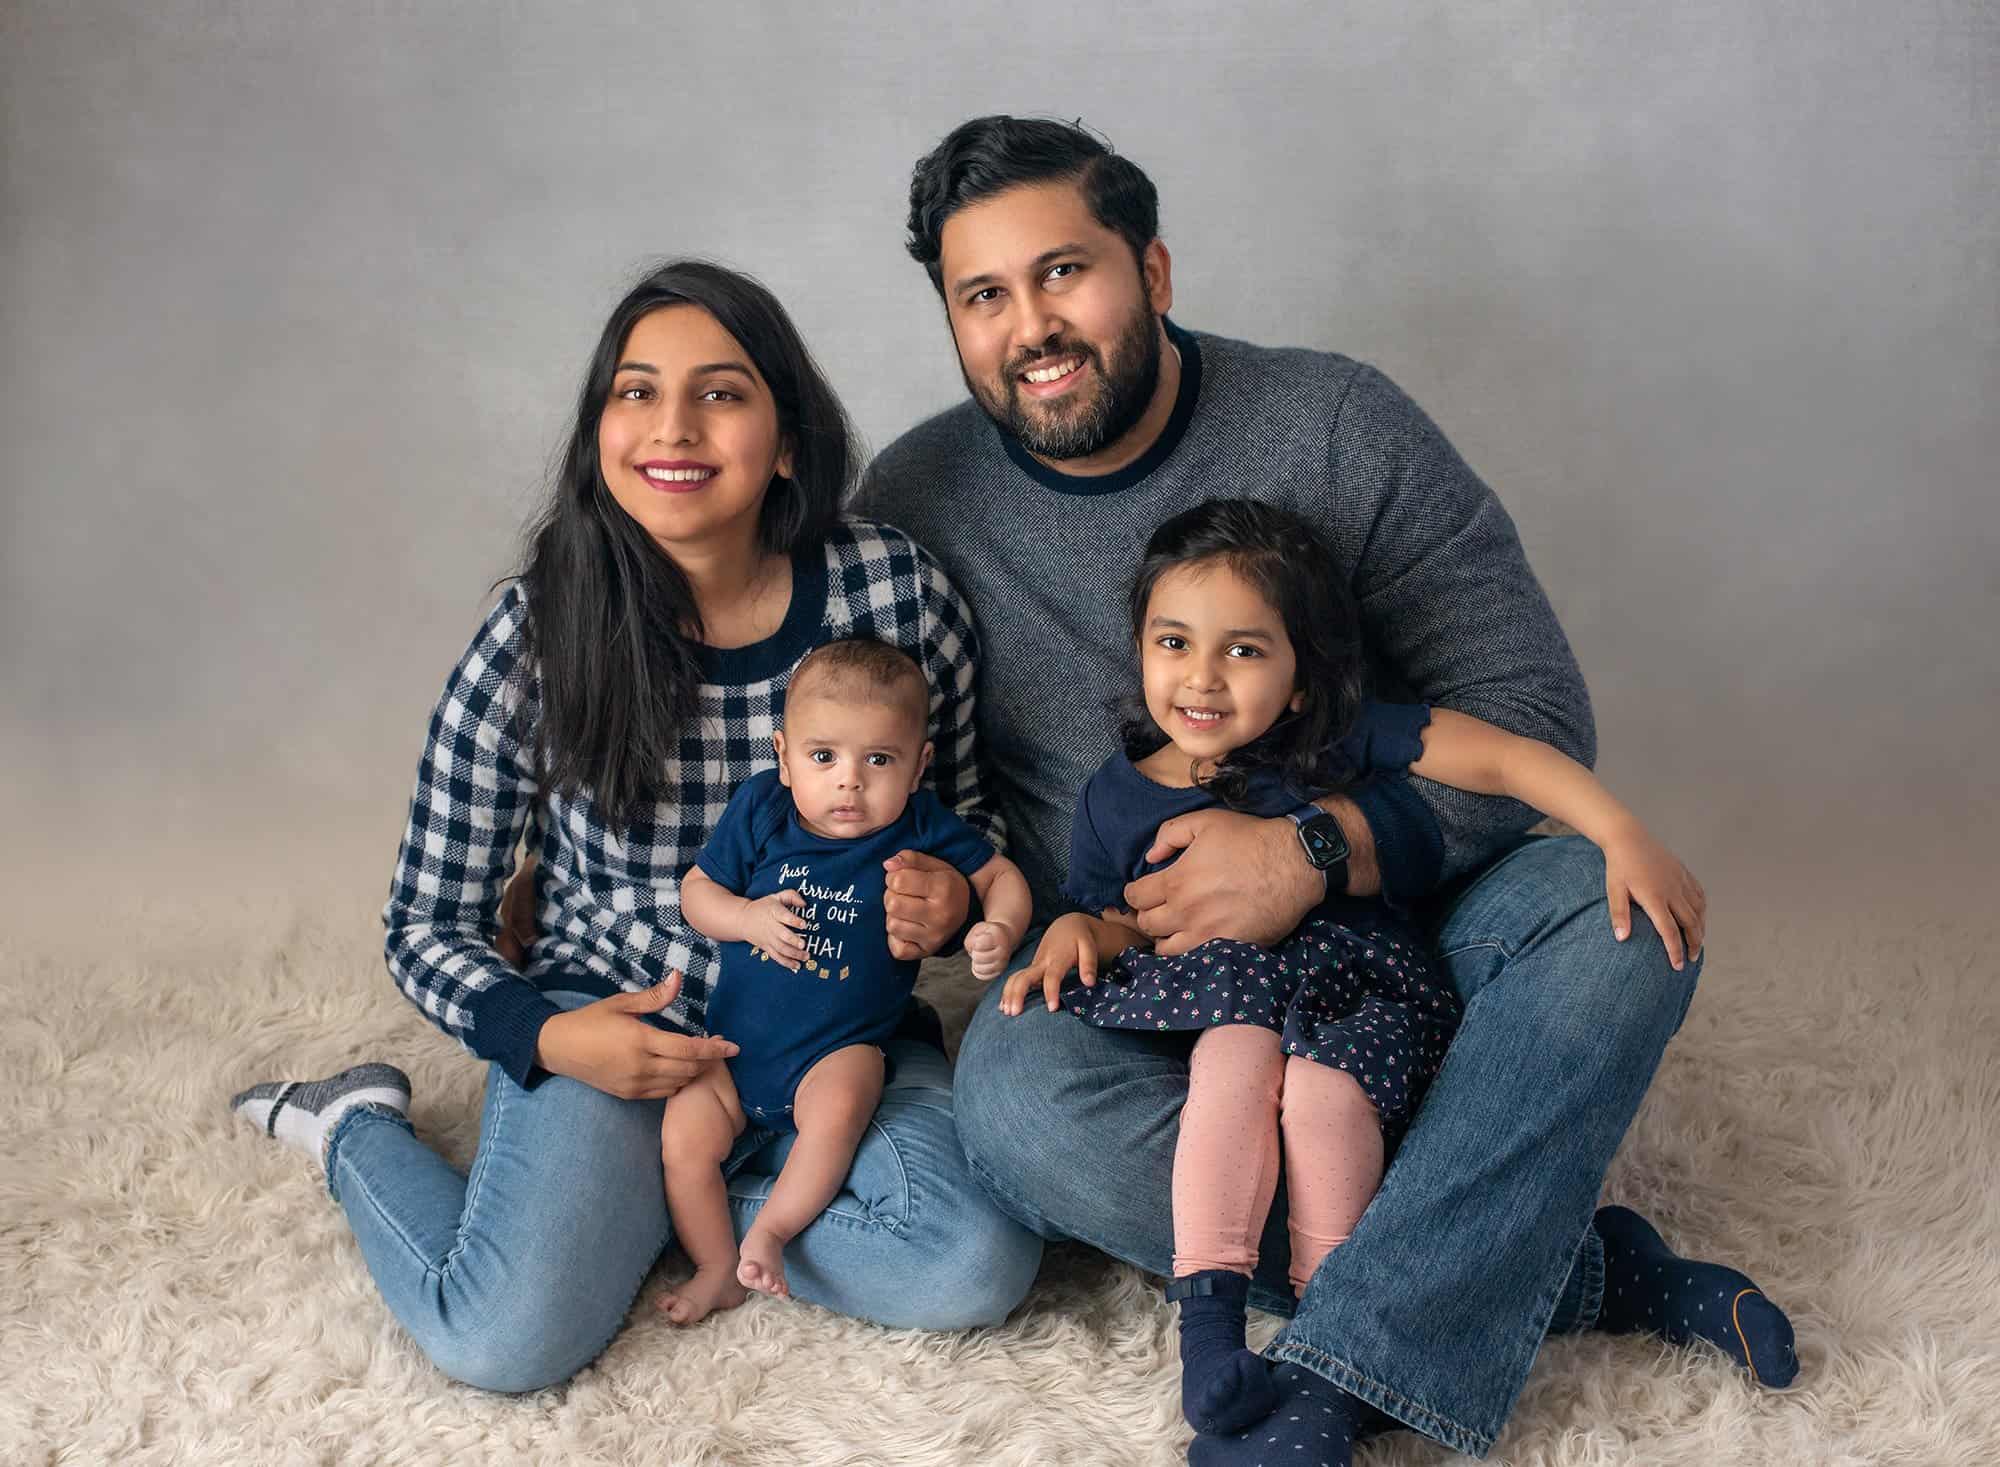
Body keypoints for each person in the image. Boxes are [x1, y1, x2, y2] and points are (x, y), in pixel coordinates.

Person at [852, 116, 1797, 1462]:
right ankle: (1565, 1268)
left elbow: (1531, 710)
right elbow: (908, 784)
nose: (1033, 326)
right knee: (1012, 1100)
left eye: (1066, 272)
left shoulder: (1338, 423)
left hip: (1403, 944)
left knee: (1615, 908)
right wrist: (995, 905)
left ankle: (1346, 1362)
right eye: (983, 295)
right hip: (1153, 984)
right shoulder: (916, 499)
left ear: (1156, 271)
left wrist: (1310, 845)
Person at [227, 259, 1042, 1392]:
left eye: (719, 392)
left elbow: (964, 821)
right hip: (620, 1029)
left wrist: (951, 906)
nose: (672, 426)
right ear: (598, 430)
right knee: (498, 1340)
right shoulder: (536, 636)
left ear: (789, 439)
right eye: (633, 391)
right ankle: (357, 1126)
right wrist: (551, 1040)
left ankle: (678, 1205)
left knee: (973, 1262)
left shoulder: (893, 597)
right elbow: (425, 920)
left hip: (835, 1039)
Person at [1002, 497, 1755, 1438]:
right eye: (1173, 642)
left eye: (1244, 650)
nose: (1201, 678)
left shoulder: (1332, 743)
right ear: (1140, 647)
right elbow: (1115, 916)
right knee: (1227, 1075)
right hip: (1229, 1004)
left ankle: (1337, 1355)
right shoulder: (1116, 796)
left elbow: (1510, 757)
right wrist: (1083, 930)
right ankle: (1213, 1328)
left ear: (1302, 680)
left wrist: (1619, 831)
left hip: (1355, 992)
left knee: (1323, 1106)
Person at [662, 636, 1031, 1323]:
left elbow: (999, 876)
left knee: (843, 1101)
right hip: (735, 1047)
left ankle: (770, 1227)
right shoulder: (764, 809)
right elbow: (696, 892)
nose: (849, 781)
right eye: (823, 756)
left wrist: (999, 928)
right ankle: (717, 1264)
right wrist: (744, 916)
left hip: (837, 1049)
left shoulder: (916, 825)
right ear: (783, 754)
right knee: (684, 1135)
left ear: (920, 764)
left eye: (879, 759)